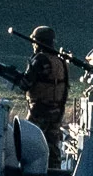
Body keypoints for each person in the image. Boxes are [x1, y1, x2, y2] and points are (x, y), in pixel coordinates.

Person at [21, 25, 73, 157]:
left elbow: (25, 84)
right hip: (57, 112)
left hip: (39, 111)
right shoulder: (60, 61)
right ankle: (53, 172)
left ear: (38, 42)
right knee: (52, 148)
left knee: (28, 143)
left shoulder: (40, 60)